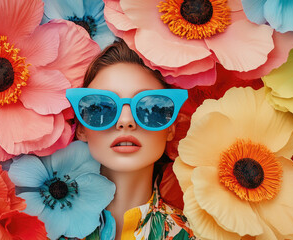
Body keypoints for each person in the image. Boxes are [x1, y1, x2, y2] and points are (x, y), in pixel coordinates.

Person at [66, 40, 197, 240]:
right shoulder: (42, 231)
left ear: (171, 127)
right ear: (81, 127)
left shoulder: (195, 235)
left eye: (150, 108)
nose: (126, 121)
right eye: (101, 107)